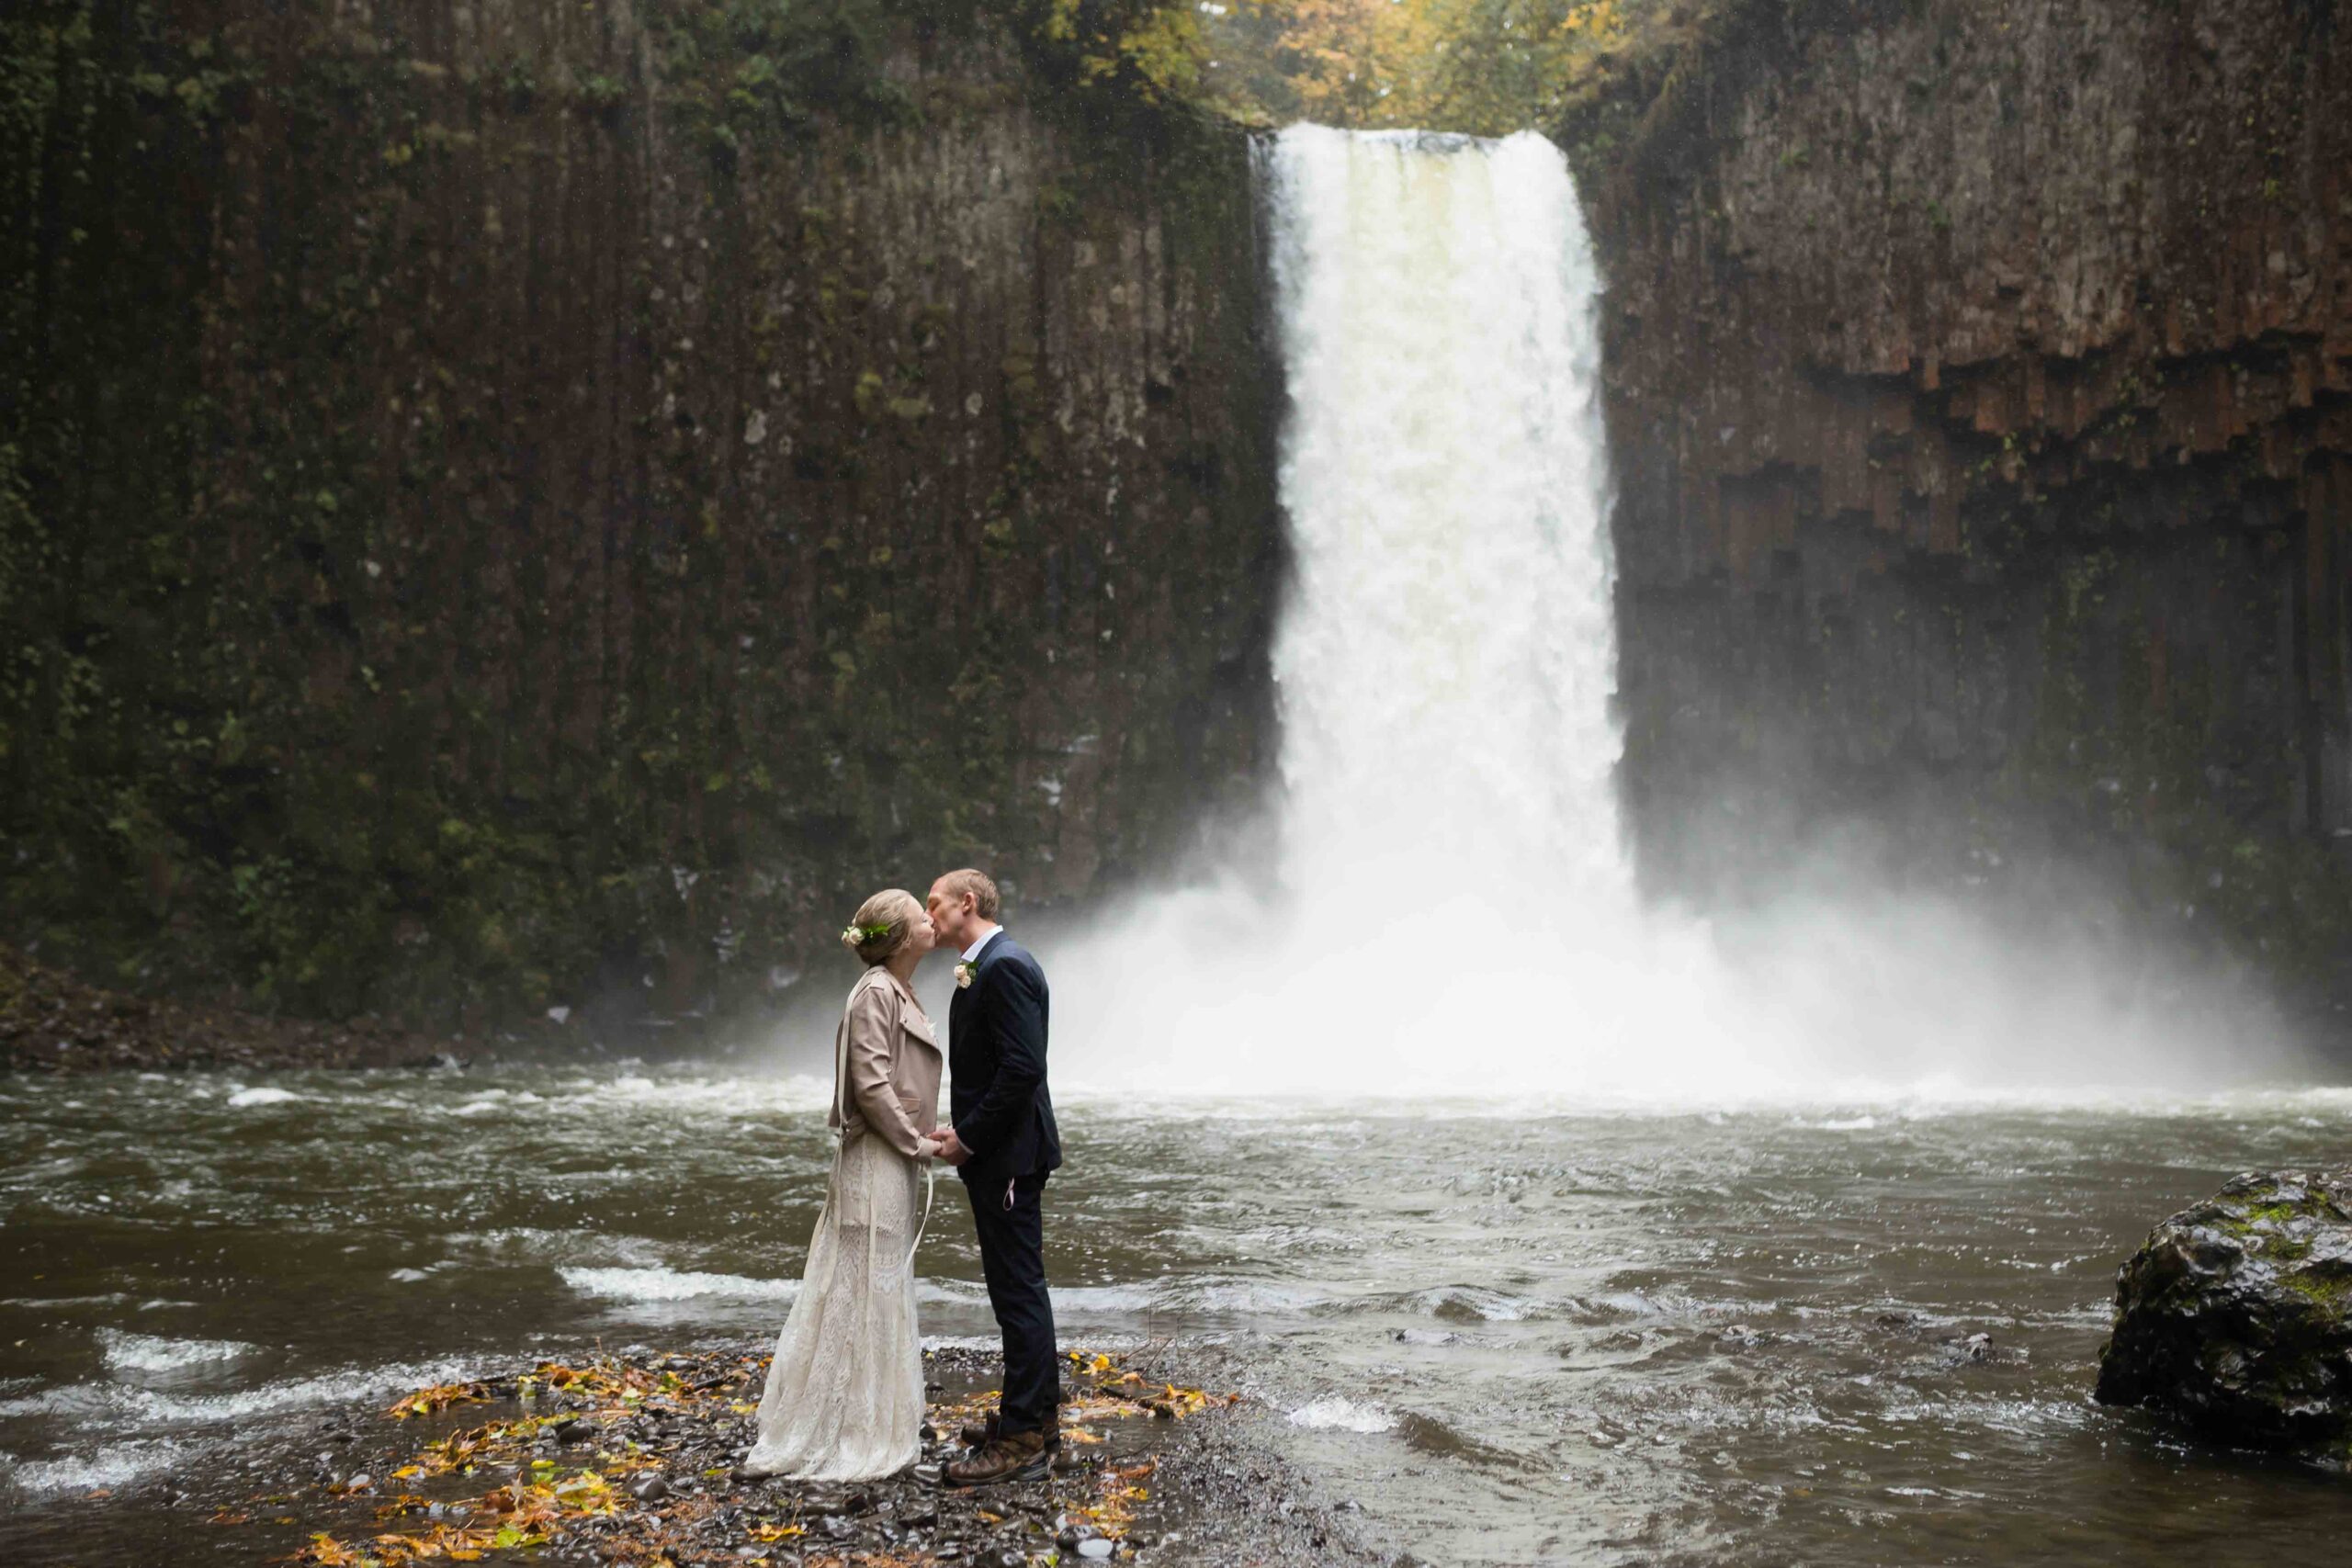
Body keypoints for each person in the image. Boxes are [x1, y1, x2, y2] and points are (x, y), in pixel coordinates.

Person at [743, 889, 943, 1480]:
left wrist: (924, 1132)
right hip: (877, 1160)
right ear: (904, 939)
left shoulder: (894, 987)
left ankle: (868, 1421)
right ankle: (845, 1431)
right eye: (920, 915)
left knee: (872, 1284)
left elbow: (892, 1081)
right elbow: (871, 1083)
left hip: (891, 1154)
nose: (931, 920)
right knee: (862, 1284)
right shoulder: (878, 991)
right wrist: (917, 1141)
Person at [923, 868, 1063, 1486]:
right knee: (1017, 1290)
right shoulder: (991, 962)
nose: (928, 916)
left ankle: (1026, 1436)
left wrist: (969, 1136)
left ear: (967, 903)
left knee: (1017, 1292)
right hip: (1001, 1152)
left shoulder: (1003, 965)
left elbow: (1023, 1068)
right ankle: (1032, 1417)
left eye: (935, 903)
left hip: (1005, 1156)